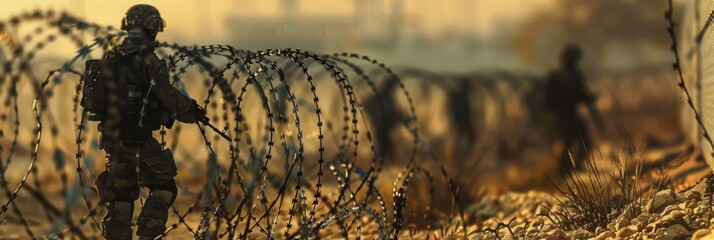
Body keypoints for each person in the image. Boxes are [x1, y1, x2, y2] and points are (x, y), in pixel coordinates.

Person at [89, 5, 206, 239]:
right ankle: (148, 232)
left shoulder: (113, 54)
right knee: (164, 188)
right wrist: (192, 110)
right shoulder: (146, 59)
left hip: (113, 138)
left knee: (121, 197)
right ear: (151, 29)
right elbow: (167, 95)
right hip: (139, 138)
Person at [544, 45, 596, 172]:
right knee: (567, 144)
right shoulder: (556, 76)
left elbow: (581, 94)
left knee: (585, 143)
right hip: (561, 116)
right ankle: (564, 170)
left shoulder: (575, 75)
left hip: (571, 114)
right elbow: (548, 100)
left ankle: (575, 168)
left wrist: (588, 98)